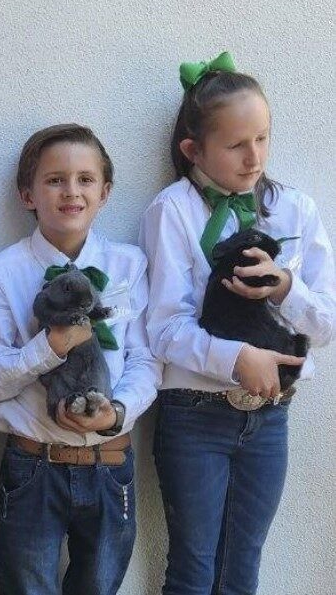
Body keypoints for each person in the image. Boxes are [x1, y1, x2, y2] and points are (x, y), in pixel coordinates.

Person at [140, 51, 336, 594]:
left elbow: (326, 325)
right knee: (194, 568)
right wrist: (235, 358)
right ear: (192, 149)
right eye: (235, 144)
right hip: (196, 415)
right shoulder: (172, 212)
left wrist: (288, 289)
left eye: (263, 139)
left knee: (242, 567)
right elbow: (164, 328)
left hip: (271, 417)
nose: (254, 158)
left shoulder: (295, 209)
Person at [0, 123, 160, 595]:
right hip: (33, 463)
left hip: (109, 463)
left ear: (106, 191)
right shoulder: (1, 272)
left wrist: (116, 413)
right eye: (54, 180)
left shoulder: (129, 265)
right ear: (27, 194)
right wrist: (50, 347)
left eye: (85, 179)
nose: (70, 191)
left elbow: (144, 360)